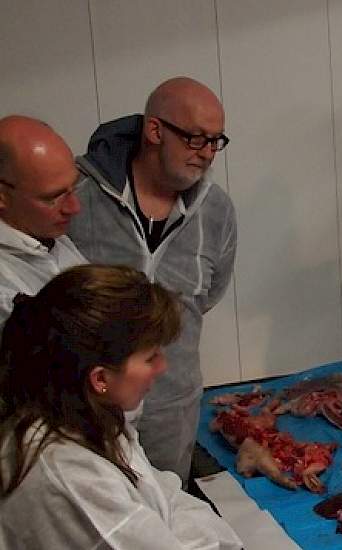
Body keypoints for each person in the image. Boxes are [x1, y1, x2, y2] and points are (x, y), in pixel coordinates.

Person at [0, 264, 242, 549]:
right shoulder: (69, 476)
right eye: (151, 357)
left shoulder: (93, 416)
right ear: (100, 377)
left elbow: (167, 495)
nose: (163, 367)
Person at [69, 77, 238, 482]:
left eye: (216, 141)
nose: (208, 154)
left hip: (170, 413)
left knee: (167, 520)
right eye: (197, 139)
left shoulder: (216, 211)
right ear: (155, 130)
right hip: (86, 413)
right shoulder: (79, 196)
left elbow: (206, 297)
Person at [0, 116, 85, 324]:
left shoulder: (44, 231)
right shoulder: (5, 291)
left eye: (74, 187)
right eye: (52, 198)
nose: (74, 208)